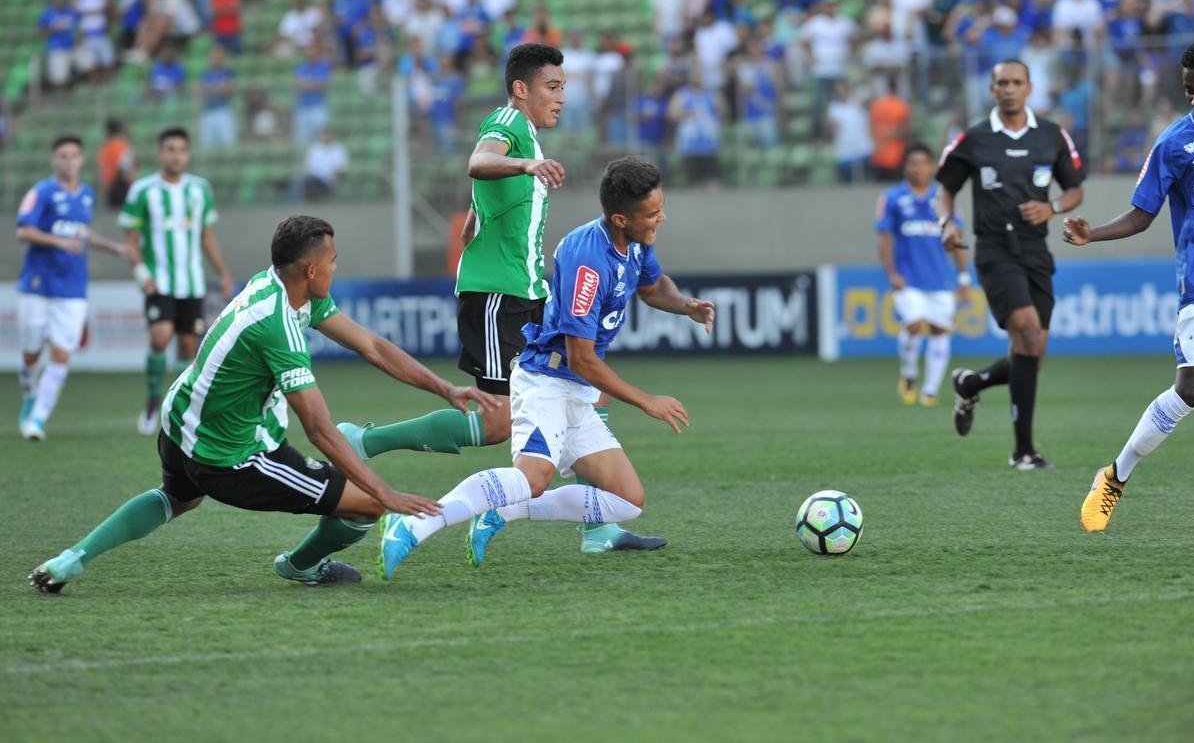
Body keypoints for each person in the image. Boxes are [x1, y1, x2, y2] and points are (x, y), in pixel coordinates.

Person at [29, 215, 499, 594]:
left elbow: (371, 346)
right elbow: (318, 429)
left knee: (176, 498)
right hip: (229, 458)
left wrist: (444, 387)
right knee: (364, 508)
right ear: (310, 270)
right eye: (333, 260)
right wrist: (385, 494)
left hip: (179, 426)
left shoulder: (279, 287)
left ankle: (71, 559)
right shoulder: (278, 325)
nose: (336, 267)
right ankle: (300, 567)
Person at [338, 44, 665, 554]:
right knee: (500, 417)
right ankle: (366, 441)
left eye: (563, 87)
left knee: (586, 387)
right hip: (498, 296)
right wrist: (524, 166)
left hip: (527, 290)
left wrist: (476, 217)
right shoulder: (508, 123)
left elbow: (486, 191)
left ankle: (598, 526)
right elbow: (479, 161)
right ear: (521, 89)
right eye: (552, 87)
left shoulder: (526, 136)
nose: (561, 97)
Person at [377, 158, 716, 577]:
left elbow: (651, 286)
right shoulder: (587, 260)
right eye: (652, 213)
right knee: (532, 477)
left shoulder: (636, 240)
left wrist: (686, 306)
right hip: (546, 382)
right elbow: (582, 357)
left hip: (575, 392)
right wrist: (647, 402)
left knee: (627, 500)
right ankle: (413, 522)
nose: (660, 218)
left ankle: (503, 512)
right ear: (620, 218)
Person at [1064, 40, 1194, 531]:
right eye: (1190, 90)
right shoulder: (1174, 145)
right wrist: (1092, 233)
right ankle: (1115, 477)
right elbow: (1143, 216)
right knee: (1192, 388)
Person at [936, 59, 1087, 470]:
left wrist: (1051, 207)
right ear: (991, 88)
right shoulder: (975, 138)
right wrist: (947, 221)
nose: (1008, 89)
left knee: (1032, 353)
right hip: (994, 248)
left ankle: (971, 383)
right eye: (1001, 82)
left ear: (1029, 87)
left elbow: (1075, 189)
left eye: (1016, 82)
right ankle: (1023, 452)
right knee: (1025, 329)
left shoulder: (1051, 135)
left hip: (1035, 250)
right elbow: (944, 190)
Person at [119, 127, 234, 436]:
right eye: (170, 149)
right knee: (160, 337)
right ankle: (153, 400)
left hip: (192, 284)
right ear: (160, 153)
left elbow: (207, 236)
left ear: (188, 154)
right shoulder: (143, 190)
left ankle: (179, 407)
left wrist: (222, 272)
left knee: (187, 345)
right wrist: (143, 275)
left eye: (181, 150)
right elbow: (130, 239)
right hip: (159, 282)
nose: (176, 155)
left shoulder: (200, 189)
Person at [17, 135, 132, 441]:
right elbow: (23, 231)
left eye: (74, 156)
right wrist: (58, 241)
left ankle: (37, 420)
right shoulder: (41, 192)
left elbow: (81, 234)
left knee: (61, 354)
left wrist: (113, 247)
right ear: (53, 160)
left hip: (72, 288)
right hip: (37, 284)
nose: (69, 161)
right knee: (30, 354)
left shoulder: (87, 195)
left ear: (82, 160)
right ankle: (29, 390)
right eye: (62, 156)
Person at [876, 143, 969, 407]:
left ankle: (930, 390)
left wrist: (963, 278)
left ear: (931, 166)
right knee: (914, 324)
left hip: (940, 278)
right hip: (908, 278)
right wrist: (892, 273)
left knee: (939, 330)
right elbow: (884, 238)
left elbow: (956, 240)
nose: (918, 168)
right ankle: (909, 374)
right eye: (912, 163)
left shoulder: (944, 199)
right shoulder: (892, 198)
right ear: (905, 166)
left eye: (923, 163)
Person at [96, 119, 138, 211]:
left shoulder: (105, 146)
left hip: (110, 186)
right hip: (121, 185)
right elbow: (126, 166)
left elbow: (101, 167)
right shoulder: (123, 144)